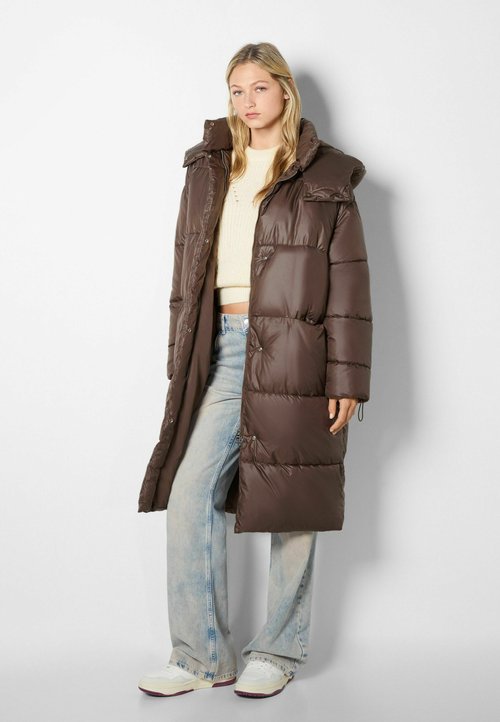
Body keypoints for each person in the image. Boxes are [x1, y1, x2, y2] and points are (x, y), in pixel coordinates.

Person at [137, 41, 373, 699]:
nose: (246, 101)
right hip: (222, 346)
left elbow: (350, 284)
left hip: (299, 348)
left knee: (294, 497)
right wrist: (181, 355)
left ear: (285, 91)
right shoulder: (210, 167)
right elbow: (186, 270)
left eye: (258, 88)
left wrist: (348, 378)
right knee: (191, 494)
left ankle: (279, 649)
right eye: (236, 90)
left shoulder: (326, 174)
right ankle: (201, 656)